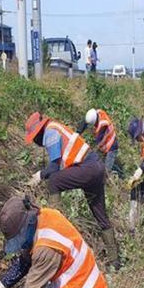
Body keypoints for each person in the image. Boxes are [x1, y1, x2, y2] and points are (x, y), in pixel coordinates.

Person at [24, 112, 121, 269]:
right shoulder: (57, 128)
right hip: (97, 167)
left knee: (54, 180)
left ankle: (55, 227)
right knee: (101, 215)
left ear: (38, 132)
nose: (35, 142)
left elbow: (54, 168)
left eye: (34, 137)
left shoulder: (50, 132)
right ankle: (115, 261)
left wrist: (39, 176)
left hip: (88, 168)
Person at [77, 108, 118, 173]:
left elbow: (100, 142)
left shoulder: (102, 125)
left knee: (106, 171)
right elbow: (85, 121)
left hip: (111, 145)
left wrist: (95, 149)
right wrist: (78, 133)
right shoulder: (97, 113)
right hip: (105, 141)